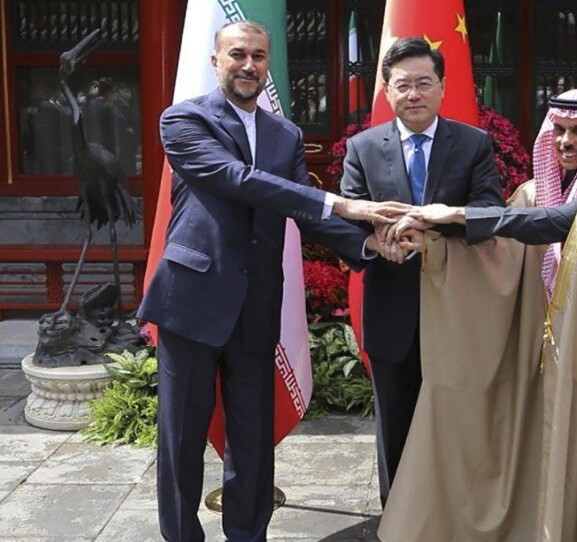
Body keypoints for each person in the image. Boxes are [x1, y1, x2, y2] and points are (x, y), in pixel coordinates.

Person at [137, 21, 407, 542]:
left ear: (268, 66)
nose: (249, 65)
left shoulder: (285, 134)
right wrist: (341, 201)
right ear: (216, 62)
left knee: (253, 438)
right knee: (181, 439)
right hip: (192, 299)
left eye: (259, 56)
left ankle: (248, 534)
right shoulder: (183, 119)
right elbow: (237, 181)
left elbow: (297, 208)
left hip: (257, 303)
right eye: (237, 54)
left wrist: (367, 243)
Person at [380, 88, 577, 542]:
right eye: (558, 130)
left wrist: (455, 213)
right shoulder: (533, 193)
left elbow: (556, 223)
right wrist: (435, 246)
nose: (566, 141)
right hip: (538, 352)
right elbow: (500, 255)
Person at [339, 36, 505, 505]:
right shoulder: (363, 148)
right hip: (392, 308)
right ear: (387, 91)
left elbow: (489, 213)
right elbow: (344, 223)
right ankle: (398, 520)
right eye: (403, 85)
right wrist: (373, 245)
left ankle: (452, 518)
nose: (414, 94)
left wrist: (433, 232)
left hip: (455, 308)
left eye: (424, 84)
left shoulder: (472, 144)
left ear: (442, 87)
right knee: (395, 424)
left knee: (456, 423)